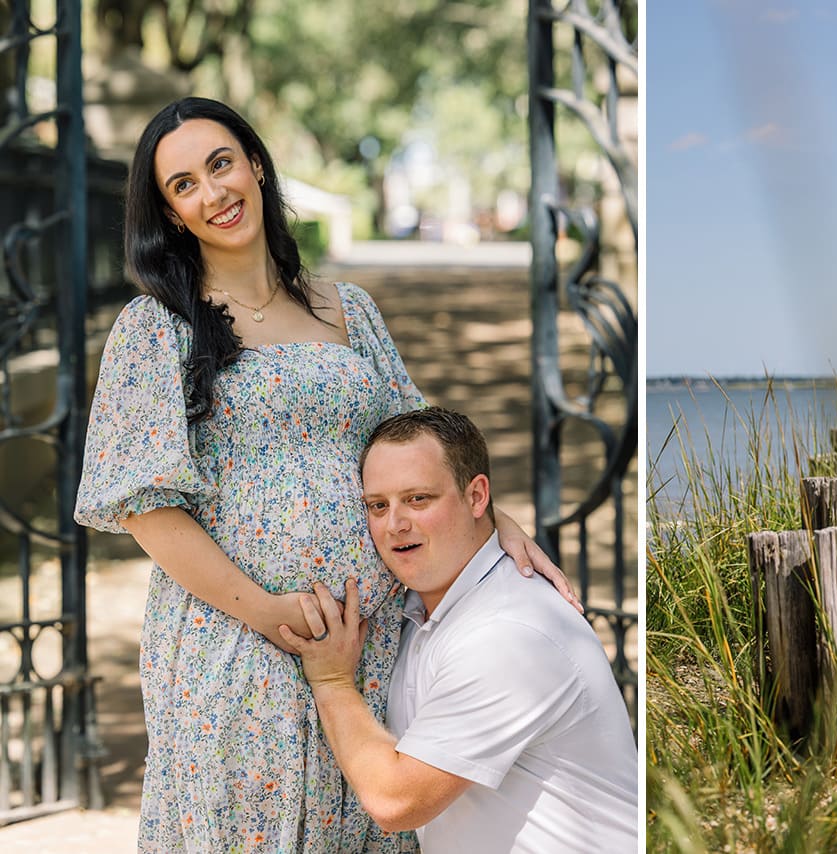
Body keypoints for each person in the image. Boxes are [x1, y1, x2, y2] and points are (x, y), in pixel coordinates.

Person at [74, 97, 575, 852]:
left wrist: (496, 522)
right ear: (172, 214)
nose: (212, 194)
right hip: (235, 643)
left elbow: (423, 450)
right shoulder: (155, 329)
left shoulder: (352, 311)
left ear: (256, 167)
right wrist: (267, 612)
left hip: (368, 648)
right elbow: (148, 509)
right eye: (184, 186)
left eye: (220, 165)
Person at [280, 407, 638, 852]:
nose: (395, 524)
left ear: (477, 497)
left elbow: (396, 800)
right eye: (378, 505)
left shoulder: (509, 634)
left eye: (418, 499)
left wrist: (332, 681)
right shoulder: (416, 606)